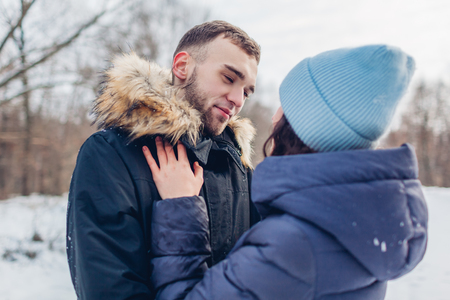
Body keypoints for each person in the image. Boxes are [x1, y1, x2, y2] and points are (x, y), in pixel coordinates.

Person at [143, 44, 429, 299]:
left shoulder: (291, 245)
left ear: (303, 125)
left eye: (287, 105)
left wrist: (180, 209)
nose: (275, 113)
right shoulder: (358, 222)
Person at [66, 20, 261, 300]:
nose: (237, 100)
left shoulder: (238, 166)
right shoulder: (111, 153)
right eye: (229, 78)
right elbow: (110, 289)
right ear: (182, 66)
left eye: (246, 91)